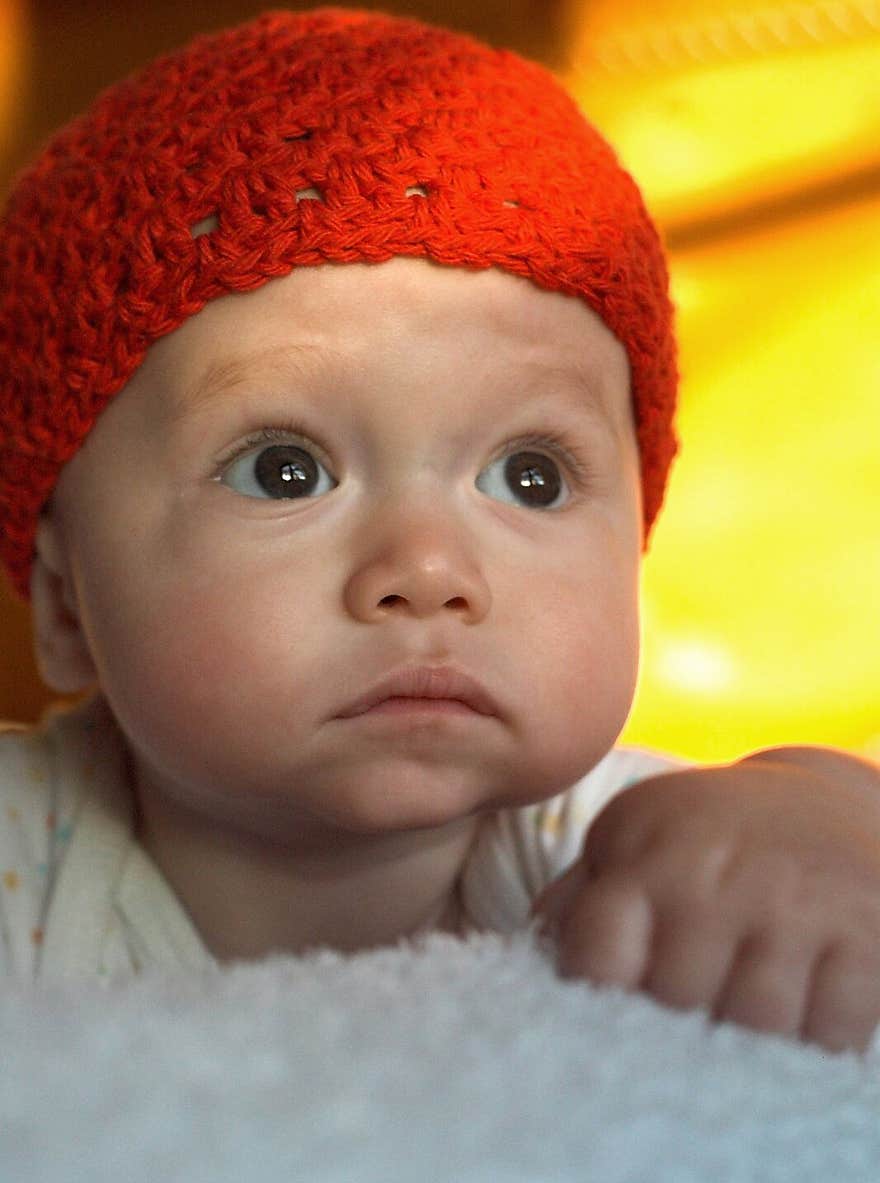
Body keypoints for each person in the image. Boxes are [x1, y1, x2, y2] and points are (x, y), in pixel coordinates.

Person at [0, 7, 877, 1050]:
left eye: (531, 476)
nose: (427, 569)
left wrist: (819, 815)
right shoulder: (27, 860)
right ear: (64, 597)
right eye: (285, 470)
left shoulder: (613, 853)